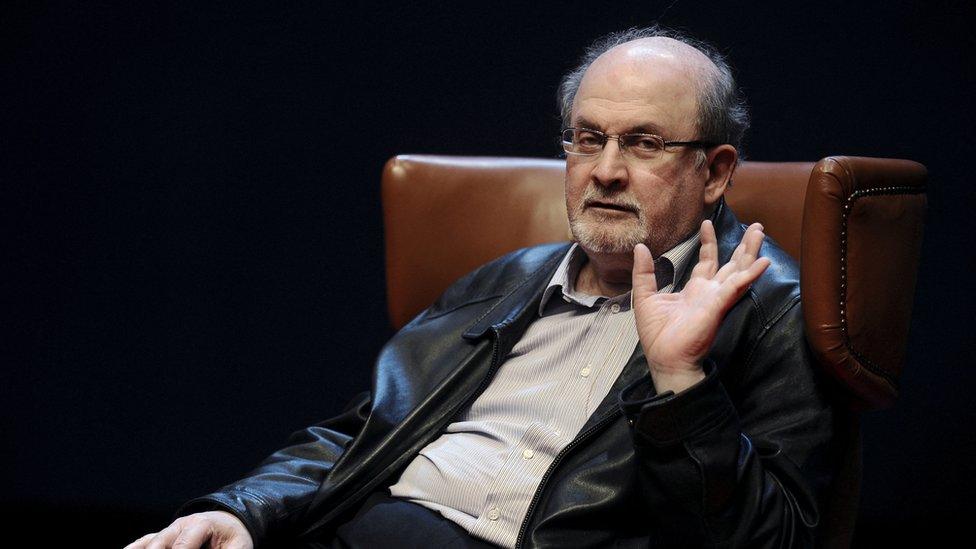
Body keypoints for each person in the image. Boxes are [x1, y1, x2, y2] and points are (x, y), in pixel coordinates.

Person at [126, 26, 837, 549]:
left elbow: (774, 540)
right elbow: (358, 438)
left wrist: (681, 383)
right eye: (588, 138)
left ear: (714, 172)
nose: (605, 170)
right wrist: (241, 511)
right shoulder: (506, 278)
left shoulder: (772, 309)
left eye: (644, 143)